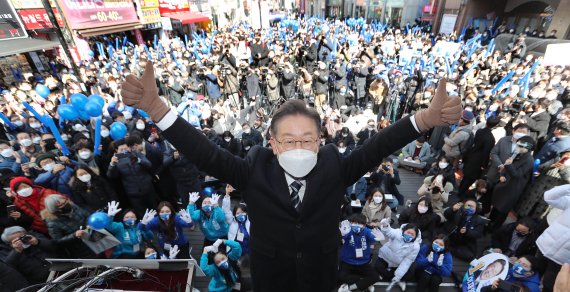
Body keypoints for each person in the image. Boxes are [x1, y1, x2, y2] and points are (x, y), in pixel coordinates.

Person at [120, 62, 461, 291]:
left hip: (322, 274)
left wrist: (425, 119)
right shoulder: (253, 167)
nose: (299, 146)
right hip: (271, 276)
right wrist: (157, 110)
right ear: (272, 143)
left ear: (320, 141)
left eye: (307, 139)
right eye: (289, 140)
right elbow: (204, 151)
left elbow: (377, 146)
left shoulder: (334, 165)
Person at [489, 136, 535, 230]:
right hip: (504, 185)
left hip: (512, 189)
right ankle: (489, 223)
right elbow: (505, 166)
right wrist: (502, 174)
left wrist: (509, 165)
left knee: (502, 211)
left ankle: (494, 230)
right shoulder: (516, 154)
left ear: (527, 148)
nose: (517, 147)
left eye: (520, 146)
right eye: (517, 145)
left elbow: (517, 175)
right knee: (495, 206)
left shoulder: (529, 160)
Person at [516, 147, 570, 218]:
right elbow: (538, 168)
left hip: (549, 197)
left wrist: (563, 170)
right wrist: (551, 166)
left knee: (535, 218)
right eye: (567, 155)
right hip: (536, 191)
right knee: (522, 214)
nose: (568, 157)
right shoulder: (555, 159)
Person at [535, 184, 570, 292]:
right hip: (545, 246)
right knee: (532, 274)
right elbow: (549, 197)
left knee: (549, 285)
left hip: (563, 258)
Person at [337, 214, 383, 292]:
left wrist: (379, 238)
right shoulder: (347, 230)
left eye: (360, 223)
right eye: (354, 223)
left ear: (364, 225)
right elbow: (340, 238)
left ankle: (350, 287)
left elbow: (373, 236)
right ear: (351, 223)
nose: (357, 225)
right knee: (339, 277)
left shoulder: (367, 231)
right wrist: (342, 234)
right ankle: (365, 282)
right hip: (348, 261)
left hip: (363, 262)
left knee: (376, 277)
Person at [40, 194, 95, 258]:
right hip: (80, 248)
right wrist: (74, 235)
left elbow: (86, 215)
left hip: (92, 238)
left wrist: (87, 225)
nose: (65, 205)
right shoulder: (52, 223)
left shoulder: (73, 206)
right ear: (55, 209)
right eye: (61, 205)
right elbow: (58, 240)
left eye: (65, 202)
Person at [375, 220, 422, 291]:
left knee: (409, 273)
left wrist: (398, 276)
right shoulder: (397, 233)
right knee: (377, 266)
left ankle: (395, 278)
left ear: (415, 237)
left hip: (398, 264)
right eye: (408, 232)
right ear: (404, 231)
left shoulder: (416, 246)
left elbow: (407, 262)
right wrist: (386, 226)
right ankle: (388, 275)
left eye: (412, 234)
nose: (409, 235)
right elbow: (389, 232)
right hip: (385, 257)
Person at [459, 117, 498, 196]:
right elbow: (486, 153)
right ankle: (461, 193)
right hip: (478, 160)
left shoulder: (480, 131)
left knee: (466, 176)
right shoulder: (491, 139)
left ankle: (460, 190)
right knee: (471, 178)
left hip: (471, 154)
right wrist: (484, 164)